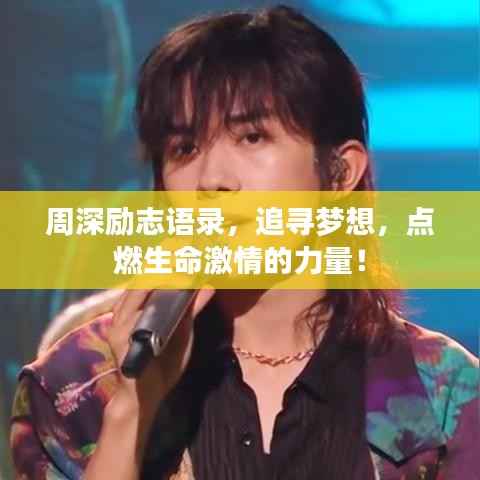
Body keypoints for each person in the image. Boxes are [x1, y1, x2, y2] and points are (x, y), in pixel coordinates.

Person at [10, 5, 478, 479]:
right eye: (185, 148)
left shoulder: (445, 396)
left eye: (252, 137)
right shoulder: (71, 388)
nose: (212, 179)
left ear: (339, 173)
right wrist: (131, 411)